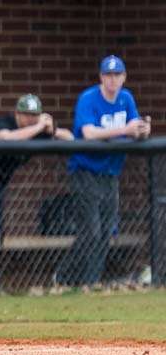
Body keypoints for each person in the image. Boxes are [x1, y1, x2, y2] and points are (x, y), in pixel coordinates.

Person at [55, 56, 150, 288]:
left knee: (106, 230)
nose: (112, 80)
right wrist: (125, 129)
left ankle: (91, 282)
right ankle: (66, 277)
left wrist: (142, 130)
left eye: (117, 75)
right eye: (108, 75)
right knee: (92, 231)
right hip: (85, 170)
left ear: (124, 77)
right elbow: (88, 133)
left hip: (110, 173)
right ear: (101, 77)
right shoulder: (88, 98)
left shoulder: (126, 99)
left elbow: (134, 128)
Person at [0, 95, 73, 292]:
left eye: (34, 115)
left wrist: (51, 127)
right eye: (26, 115)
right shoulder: (6, 123)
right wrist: (39, 127)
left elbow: (69, 138)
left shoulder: (36, 130)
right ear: (17, 114)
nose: (30, 119)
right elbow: (4, 137)